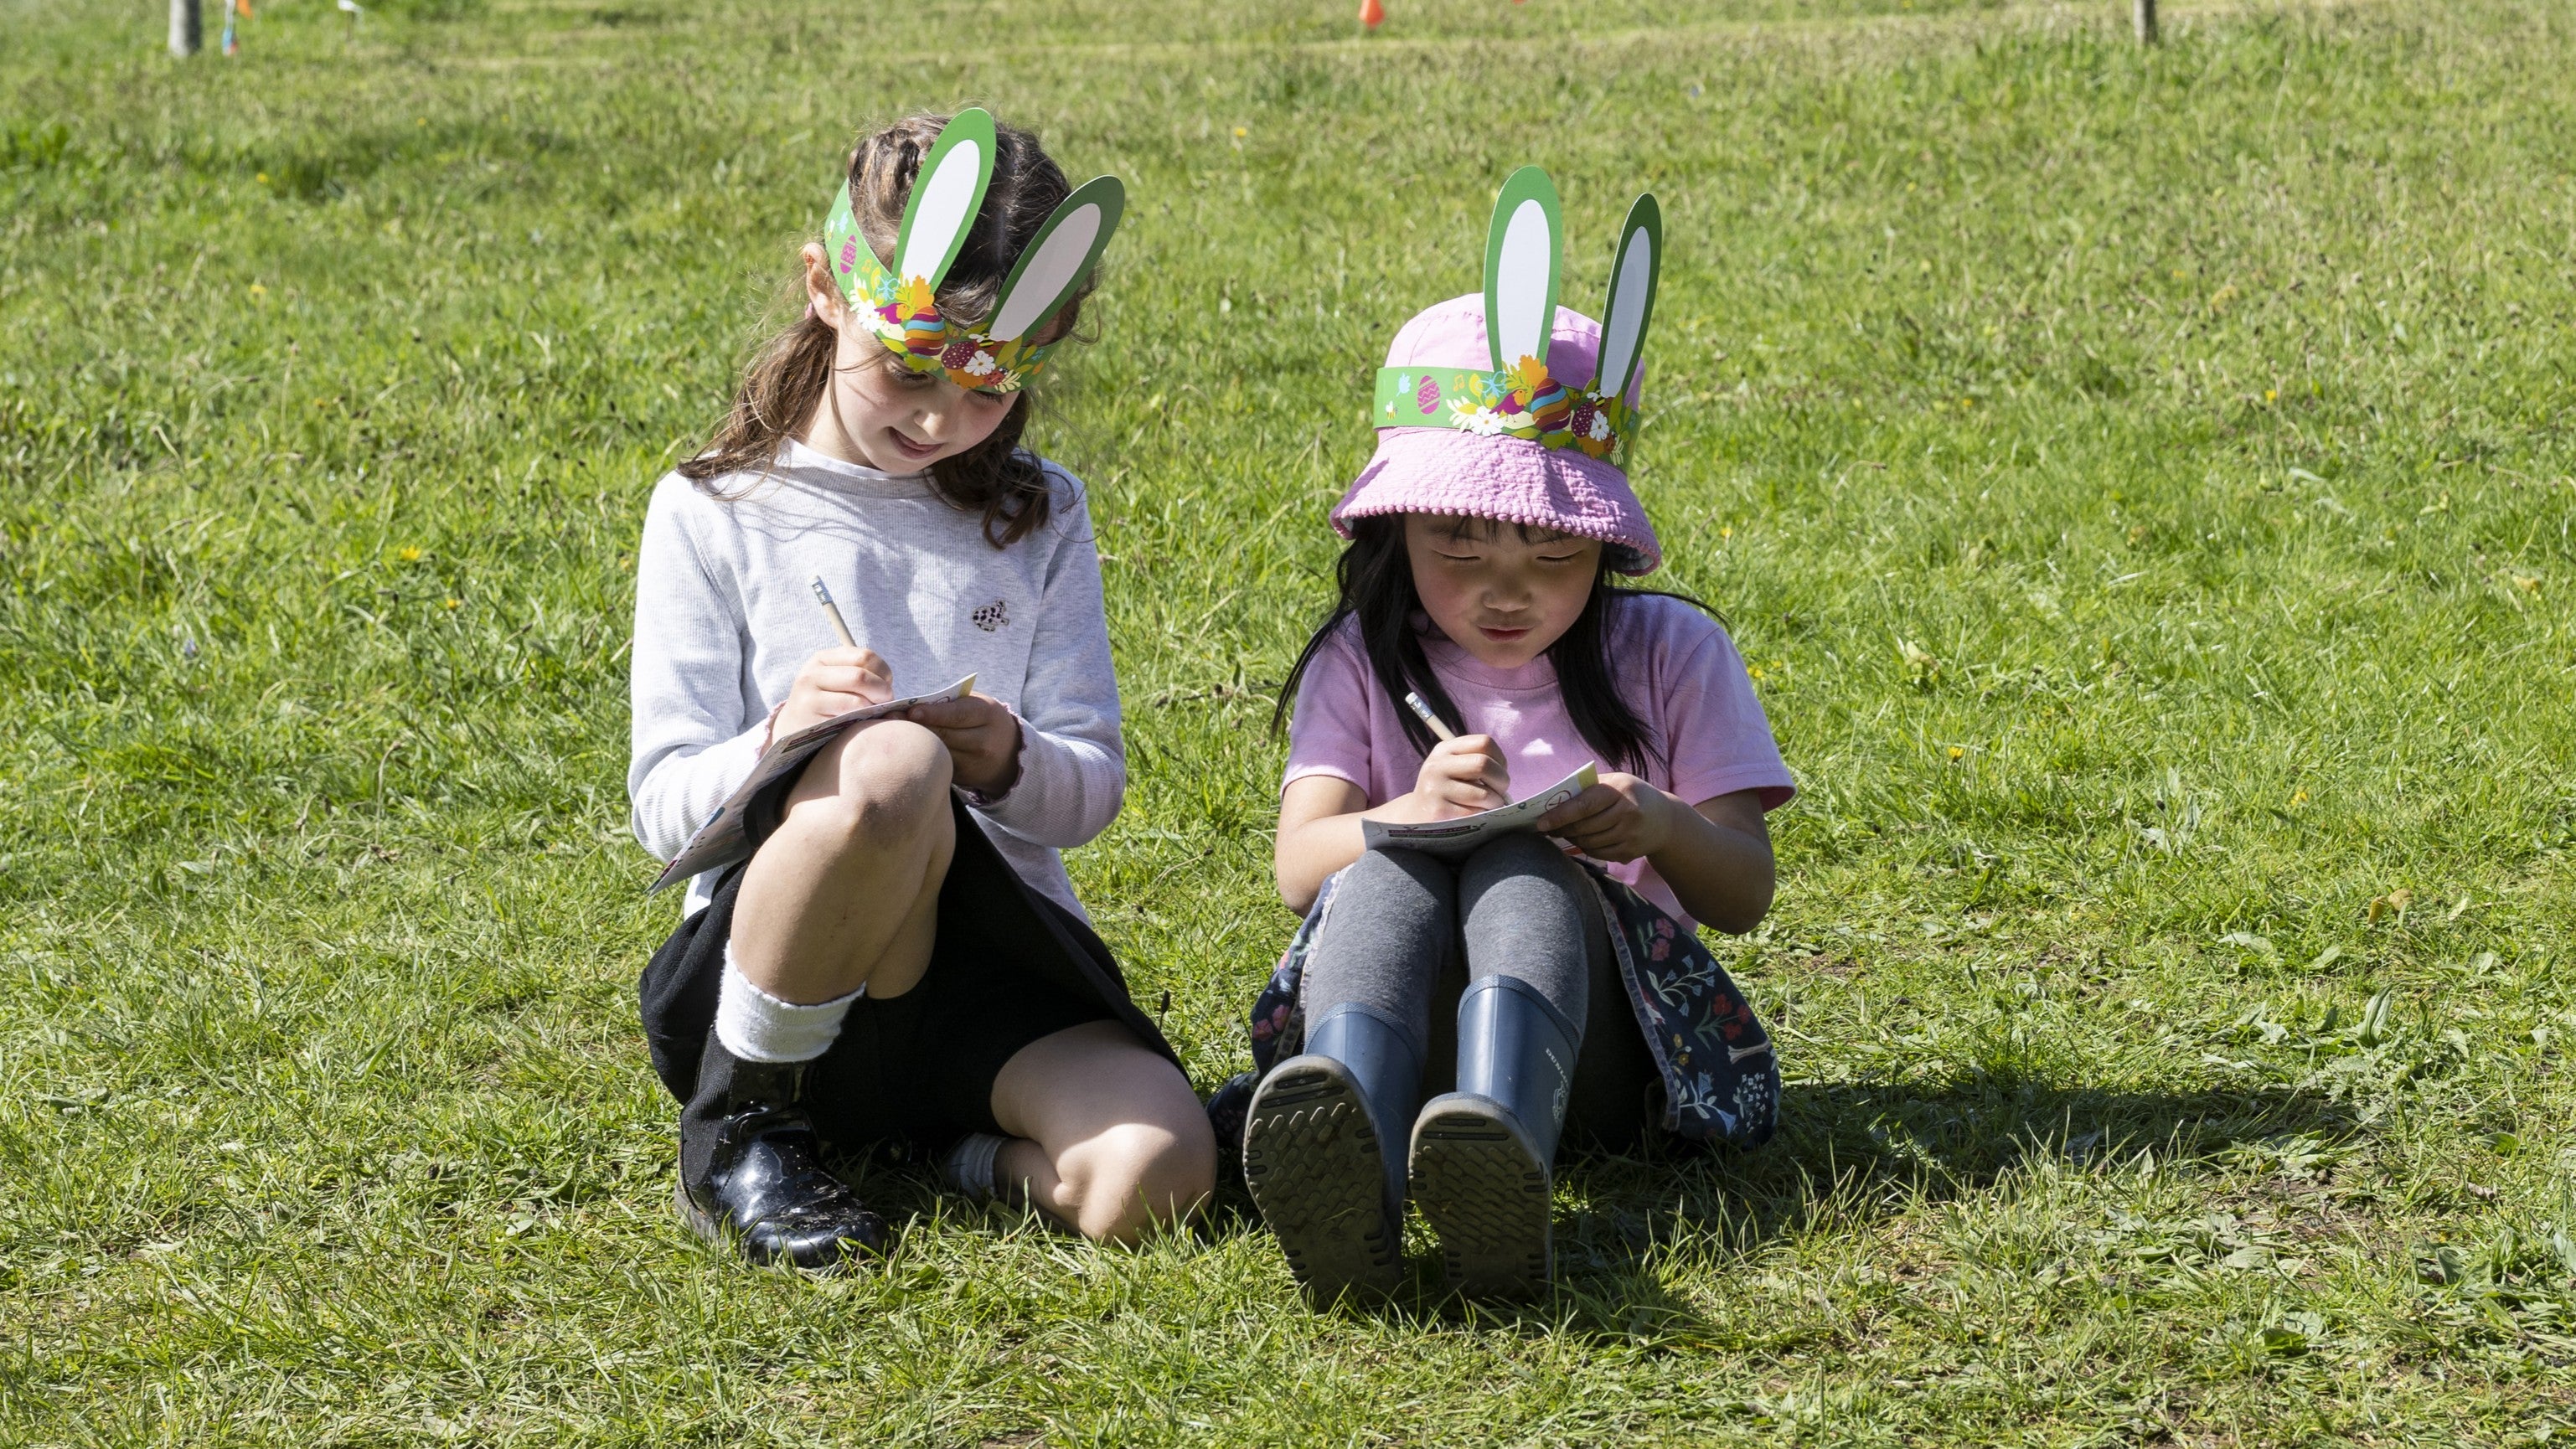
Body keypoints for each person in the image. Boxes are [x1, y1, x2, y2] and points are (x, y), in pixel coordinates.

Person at [628, 111, 1213, 1269]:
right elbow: (660, 806)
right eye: (908, 368)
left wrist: (1005, 754)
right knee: (891, 766)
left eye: (987, 390)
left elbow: (1092, 787)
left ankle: (953, 1153)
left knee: (1164, 1172)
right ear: (823, 287)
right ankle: (745, 1124)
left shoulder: (1041, 514)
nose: (942, 420)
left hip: (982, 984)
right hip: (786, 972)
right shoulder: (713, 510)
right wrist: (780, 743)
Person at [1231, 168, 1794, 1301]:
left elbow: (1741, 892)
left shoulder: (1675, 652)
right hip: (1399, 1025)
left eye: (1551, 556)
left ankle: (1503, 1154)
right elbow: (1302, 864)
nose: (1505, 591)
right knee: (1388, 875)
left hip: (1598, 1059)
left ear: (1603, 546)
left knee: (1526, 864)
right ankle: (1351, 1162)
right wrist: (1404, 816)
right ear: (1398, 531)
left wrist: (1660, 823)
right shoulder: (1362, 657)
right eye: (1459, 548)